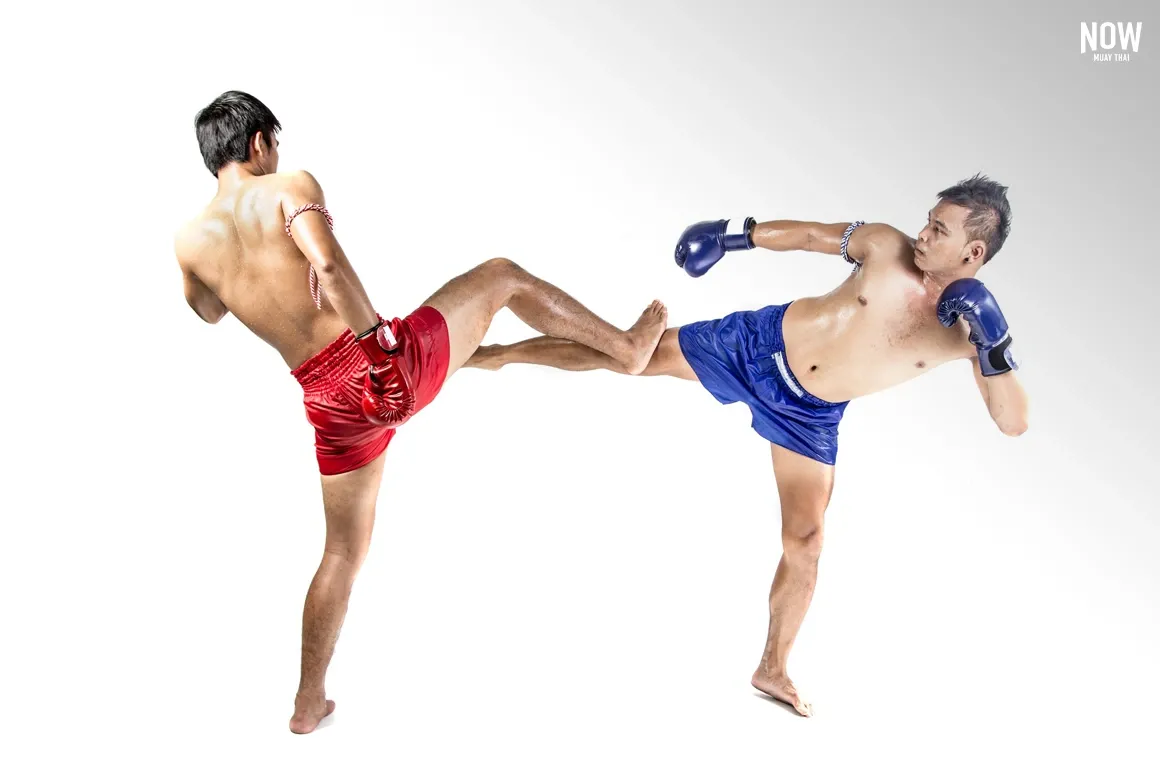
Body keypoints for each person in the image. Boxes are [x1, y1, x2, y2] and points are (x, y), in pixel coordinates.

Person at [174, 91, 669, 733]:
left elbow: (209, 311)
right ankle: (626, 349)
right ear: (260, 141)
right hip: (380, 365)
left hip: (325, 402)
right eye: (275, 144)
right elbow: (325, 259)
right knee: (501, 275)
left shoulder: (188, 243)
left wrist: (256, 286)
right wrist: (379, 347)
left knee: (342, 554)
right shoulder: (287, 185)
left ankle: (306, 704)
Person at [467, 175, 1030, 716]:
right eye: (928, 222)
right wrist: (730, 233)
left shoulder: (965, 334)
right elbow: (811, 234)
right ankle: (498, 354)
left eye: (940, 231)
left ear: (974, 252)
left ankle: (773, 668)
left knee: (806, 542)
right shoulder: (885, 245)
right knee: (630, 358)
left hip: (810, 416)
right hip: (756, 347)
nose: (924, 235)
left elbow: (1013, 423)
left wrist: (995, 341)